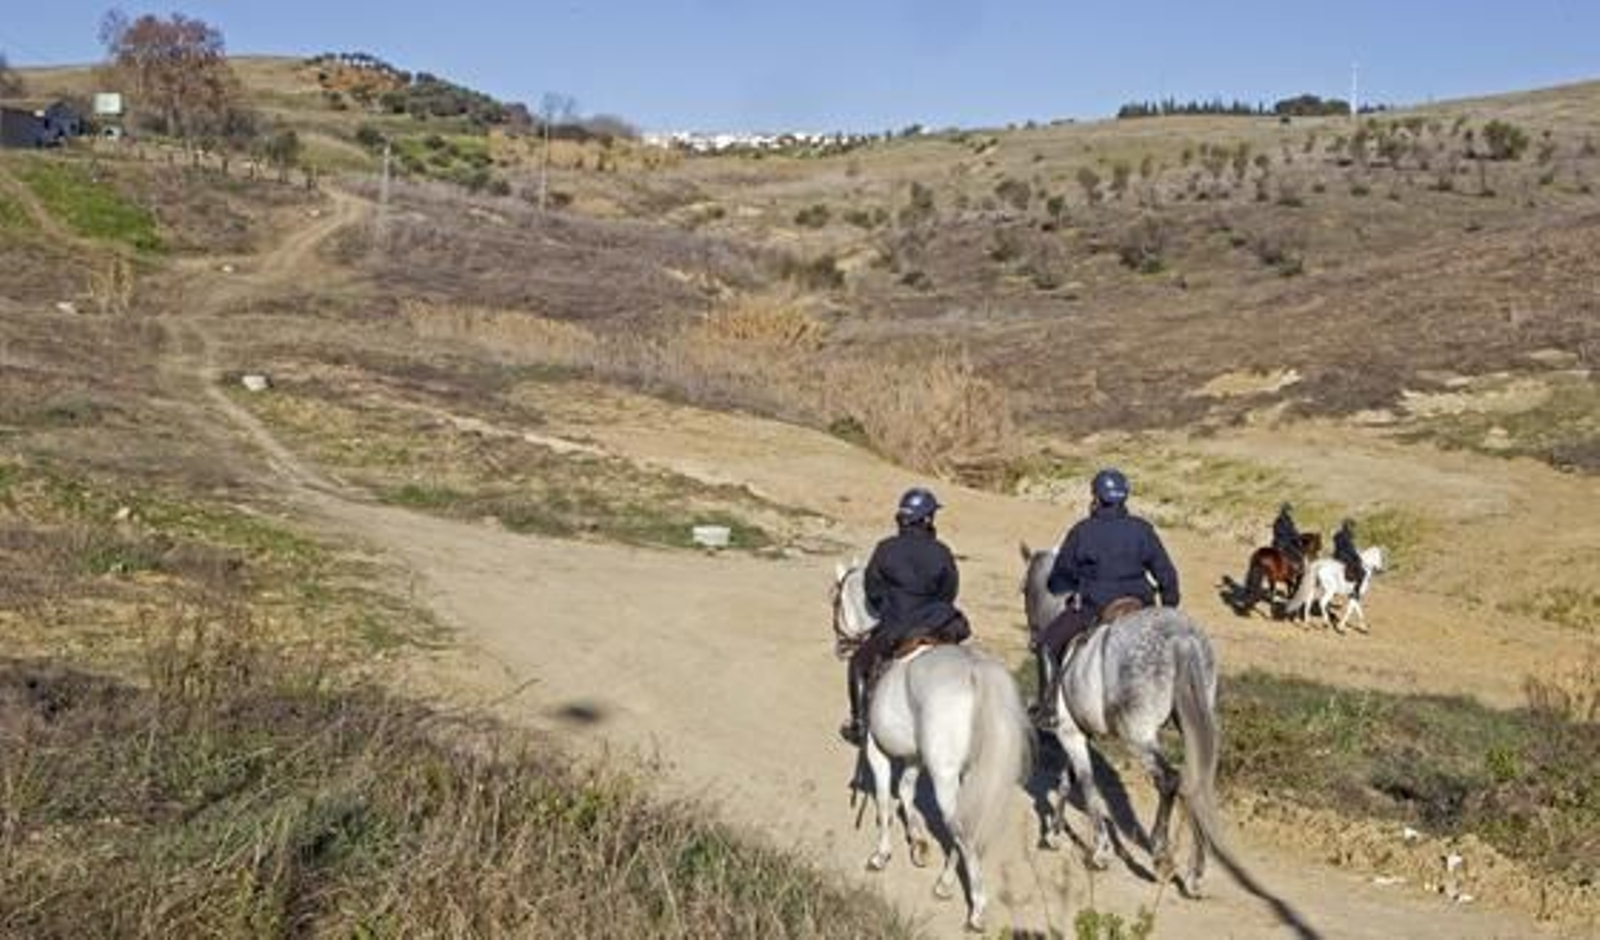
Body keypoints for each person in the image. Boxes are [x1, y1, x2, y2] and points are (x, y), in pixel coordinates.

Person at [1032, 469, 1179, 727]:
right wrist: (1168, 606)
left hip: (1095, 606)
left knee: (1046, 645)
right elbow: (1165, 572)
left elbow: (1060, 578)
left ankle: (1048, 708)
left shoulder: (1082, 531)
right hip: (1141, 605)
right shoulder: (1142, 530)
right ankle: (1175, 709)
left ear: (1096, 498)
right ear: (1124, 498)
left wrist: (1064, 586)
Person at [839, 487, 970, 746]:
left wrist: (888, 605)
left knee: (858, 663)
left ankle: (859, 722)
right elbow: (949, 591)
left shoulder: (885, 549)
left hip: (898, 625)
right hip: (938, 623)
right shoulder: (941, 551)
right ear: (927, 520)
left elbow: (873, 591)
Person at [1333, 518, 1364, 596]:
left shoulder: (1338, 534)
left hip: (1336, 554)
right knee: (1362, 571)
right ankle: (1355, 590)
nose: (1353, 529)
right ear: (1347, 526)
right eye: (1351, 527)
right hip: (1344, 556)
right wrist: (1356, 556)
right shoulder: (1346, 535)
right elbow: (1350, 548)